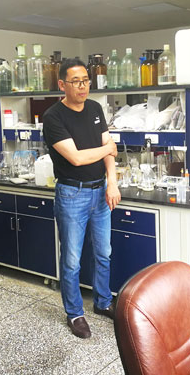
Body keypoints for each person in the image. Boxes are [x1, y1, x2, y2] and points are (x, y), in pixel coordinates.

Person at [43, 58, 121, 339]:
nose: (82, 86)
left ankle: (102, 301)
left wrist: (112, 182)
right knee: (72, 259)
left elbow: (108, 150)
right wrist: (107, 148)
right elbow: (76, 158)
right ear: (62, 84)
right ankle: (75, 313)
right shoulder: (53, 117)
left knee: (103, 252)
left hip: (101, 192)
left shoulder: (95, 108)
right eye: (76, 82)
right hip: (71, 194)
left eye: (86, 80)